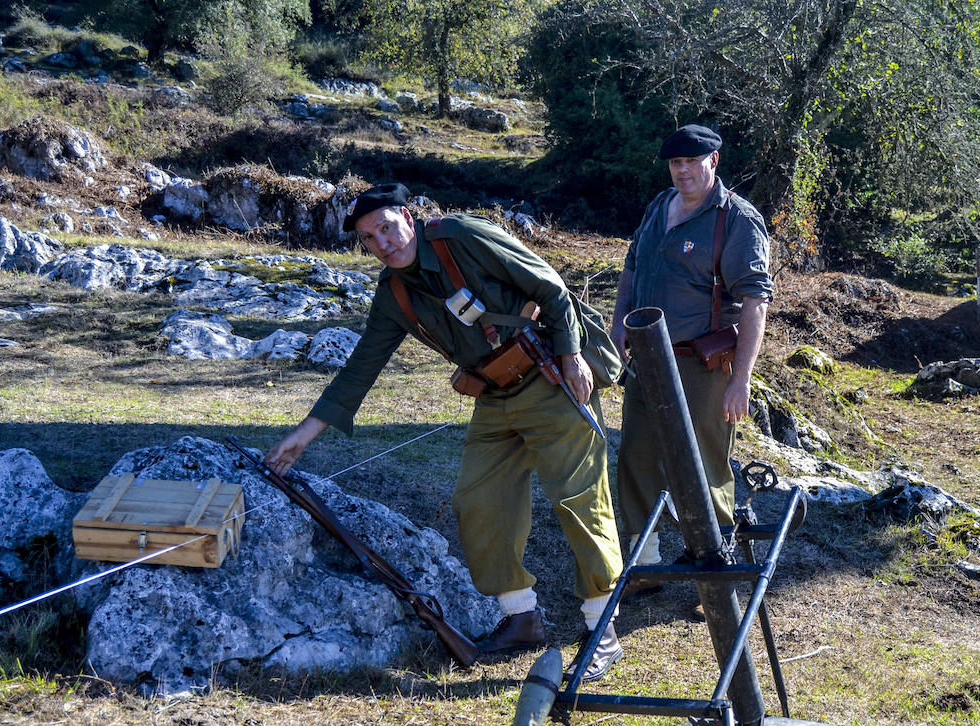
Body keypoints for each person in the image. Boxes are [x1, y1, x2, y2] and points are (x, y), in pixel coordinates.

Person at [265, 184, 627, 680]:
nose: (383, 243)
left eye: (387, 227)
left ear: (407, 217)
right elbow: (360, 367)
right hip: (496, 394)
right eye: (370, 238)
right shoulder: (392, 293)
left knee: (578, 497)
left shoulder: (461, 236)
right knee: (478, 499)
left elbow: (551, 288)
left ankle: (601, 627)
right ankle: (521, 617)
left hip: (550, 375)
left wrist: (570, 355)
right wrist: (304, 434)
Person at [611, 125, 774, 578]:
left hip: (702, 364)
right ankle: (644, 565)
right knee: (637, 456)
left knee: (705, 462)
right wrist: (617, 324)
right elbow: (631, 267)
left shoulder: (736, 219)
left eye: (691, 162)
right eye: (675, 163)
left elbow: (756, 302)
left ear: (714, 162)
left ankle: (715, 566)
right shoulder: (658, 206)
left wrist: (740, 381)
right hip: (645, 359)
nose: (682, 171)